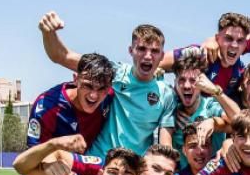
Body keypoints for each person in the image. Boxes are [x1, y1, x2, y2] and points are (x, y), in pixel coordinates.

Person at [39, 13, 175, 159]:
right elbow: (63, 56)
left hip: (132, 171)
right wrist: (48, 32)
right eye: (141, 49)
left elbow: (165, 143)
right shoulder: (113, 73)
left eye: (154, 51)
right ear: (131, 51)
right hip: (97, 162)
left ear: (162, 56)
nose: (148, 56)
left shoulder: (167, 94)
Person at [20, 51, 115, 175]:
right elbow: (33, 155)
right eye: (88, 85)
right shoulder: (48, 105)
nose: (94, 95)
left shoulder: (109, 98)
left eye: (101, 88)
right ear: (75, 79)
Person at [161, 12, 250, 101]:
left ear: (246, 43)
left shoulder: (240, 71)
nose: (234, 45)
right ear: (217, 38)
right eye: (228, 38)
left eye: (240, 40)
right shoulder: (198, 53)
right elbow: (156, 63)